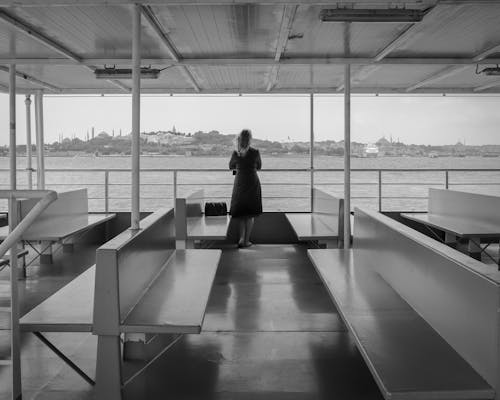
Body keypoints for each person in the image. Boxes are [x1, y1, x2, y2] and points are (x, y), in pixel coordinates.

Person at [229, 129, 262, 248]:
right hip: (252, 182)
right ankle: (246, 241)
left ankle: (241, 239)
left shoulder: (236, 153)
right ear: (250, 139)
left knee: (241, 214)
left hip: (240, 182)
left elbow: (230, 166)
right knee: (250, 214)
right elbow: (259, 167)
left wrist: (239, 168)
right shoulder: (255, 152)